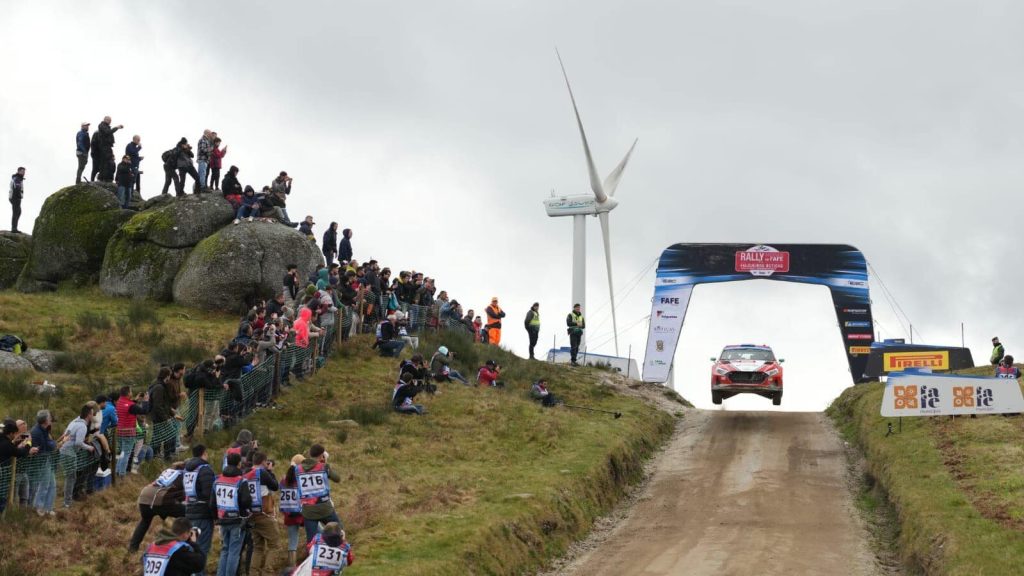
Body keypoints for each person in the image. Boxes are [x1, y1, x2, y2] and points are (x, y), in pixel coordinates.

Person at [128, 462, 186, 552]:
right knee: (189, 515)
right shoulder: (184, 475)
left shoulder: (169, 471)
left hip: (144, 496)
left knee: (145, 521)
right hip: (160, 499)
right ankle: (181, 547)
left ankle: (132, 548)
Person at [213, 451, 252, 576]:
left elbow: (212, 502)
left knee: (225, 550)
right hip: (238, 520)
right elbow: (246, 501)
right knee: (234, 552)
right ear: (239, 464)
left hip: (223, 519)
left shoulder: (217, 480)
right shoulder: (241, 481)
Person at [294, 444, 342, 543]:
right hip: (325, 508)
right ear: (321, 456)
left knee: (311, 541)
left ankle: (313, 556)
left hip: (308, 510)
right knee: (339, 532)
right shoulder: (323, 467)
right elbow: (337, 479)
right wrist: (326, 465)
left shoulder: (297, 469)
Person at [244, 451, 280, 576]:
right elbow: (275, 486)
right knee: (274, 545)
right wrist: (270, 471)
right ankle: (267, 572)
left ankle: (253, 573)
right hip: (264, 514)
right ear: (264, 462)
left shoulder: (246, 473)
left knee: (258, 547)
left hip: (251, 515)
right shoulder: (263, 473)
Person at [184, 444, 216, 574]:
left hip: (190, 511)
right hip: (203, 513)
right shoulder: (205, 469)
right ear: (204, 453)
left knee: (191, 547)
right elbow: (210, 494)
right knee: (201, 550)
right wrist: (215, 515)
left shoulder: (188, 469)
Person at [140, 516, 207, 576]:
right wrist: (193, 543)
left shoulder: (153, 545)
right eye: (189, 533)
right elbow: (200, 564)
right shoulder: (179, 550)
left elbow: (142, 561)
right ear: (185, 534)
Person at [60, 404, 97, 509]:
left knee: (70, 477)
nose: (93, 416)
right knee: (71, 477)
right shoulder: (82, 426)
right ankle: (67, 502)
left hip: (64, 451)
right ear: (89, 415)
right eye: (92, 414)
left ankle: (67, 500)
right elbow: (78, 443)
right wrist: (89, 448)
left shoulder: (74, 422)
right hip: (69, 453)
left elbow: (65, 435)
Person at [0, 419, 38, 515]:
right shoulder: (7, 444)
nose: (15, 435)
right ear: (11, 433)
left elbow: (10, 447)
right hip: (3, 473)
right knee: (2, 497)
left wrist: (14, 442)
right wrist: (28, 443)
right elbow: (21, 453)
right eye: (14, 433)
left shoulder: (3, 439)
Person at [116, 386, 150, 477]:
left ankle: (117, 471)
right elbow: (144, 411)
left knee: (122, 452)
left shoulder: (119, 401)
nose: (132, 393)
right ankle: (122, 474)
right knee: (126, 454)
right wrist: (146, 401)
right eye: (131, 392)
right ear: (128, 394)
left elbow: (129, 406)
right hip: (129, 432)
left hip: (120, 432)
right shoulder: (130, 406)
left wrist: (135, 400)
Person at [280, 453, 306, 568]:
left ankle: (292, 568)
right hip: (303, 514)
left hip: (289, 514)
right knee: (318, 534)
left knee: (292, 543)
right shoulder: (301, 479)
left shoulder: (283, 480)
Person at [30, 409, 58, 516]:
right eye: (49, 418)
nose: (51, 419)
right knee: (44, 485)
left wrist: (53, 444)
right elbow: (46, 446)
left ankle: (48, 507)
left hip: (46, 460)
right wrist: (54, 444)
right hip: (40, 461)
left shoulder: (44, 429)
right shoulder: (36, 432)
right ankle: (39, 507)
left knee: (52, 484)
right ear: (45, 420)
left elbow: (49, 444)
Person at [97, 116, 123, 182]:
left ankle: (105, 177)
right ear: (105, 120)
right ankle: (102, 177)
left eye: (110, 120)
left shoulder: (105, 126)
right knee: (105, 162)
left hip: (107, 146)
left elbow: (108, 132)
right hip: (104, 146)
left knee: (107, 161)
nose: (110, 122)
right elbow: (108, 132)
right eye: (109, 120)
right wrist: (116, 127)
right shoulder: (102, 125)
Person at [9, 166, 26, 233]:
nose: (23, 173)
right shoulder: (17, 178)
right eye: (22, 171)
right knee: (16, 212)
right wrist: (19, 195)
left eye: (24, 171)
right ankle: (14, 229)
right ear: (18, 171)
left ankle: (14, 228)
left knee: (18, 212)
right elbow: (17, 187)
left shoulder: (18, 178)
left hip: (15, 197)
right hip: (15, 197)